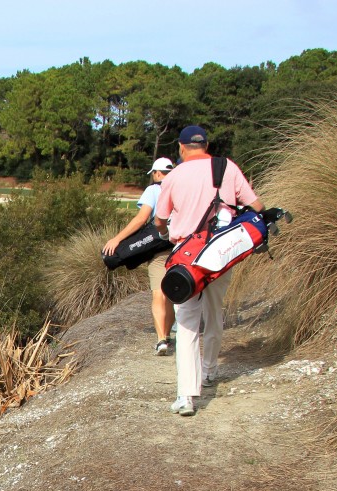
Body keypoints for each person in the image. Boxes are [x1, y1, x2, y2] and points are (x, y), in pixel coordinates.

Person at [154, 125, 264, 417]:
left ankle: (186, 396)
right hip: (220, 253)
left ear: (181, 147)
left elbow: (160, 220)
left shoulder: (174, 176)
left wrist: (168, 228)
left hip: (187, 258)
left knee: (188, 323)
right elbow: (257, 205)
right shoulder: (227, 167)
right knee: (215, 313)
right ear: (206, 144)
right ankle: (209, 371)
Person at [102, 157, 176, 355]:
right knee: (171, 293)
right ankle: (168, 335)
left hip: (161, 246)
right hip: (184, 245)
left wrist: (117, 239)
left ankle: (161, 339)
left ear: (157, 173)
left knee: (159, 292)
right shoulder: (184, 187)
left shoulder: (154, 190)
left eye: (153, 173)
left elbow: (142, 218)